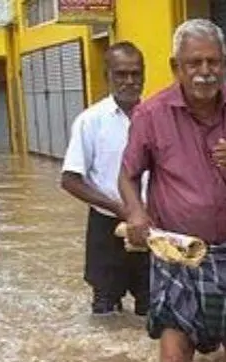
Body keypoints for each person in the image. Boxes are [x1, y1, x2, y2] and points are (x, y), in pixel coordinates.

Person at [118, 18, 226, 362]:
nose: (205, 71)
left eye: (213, 62)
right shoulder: (151, 114)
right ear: (176, 68)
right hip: (174, 250)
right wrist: (136, 213)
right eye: (194, 63)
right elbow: (128, 175)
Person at [60, 41, 149, 316]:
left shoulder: (156, 117)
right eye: (121, 74)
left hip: (152, 226)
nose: (129, 81)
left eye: (136, 74)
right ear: (106, 76)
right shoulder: (91, 121)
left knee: (154, 309)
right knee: (105, 311)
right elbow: (70, 179)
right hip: (106, 227)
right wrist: (123, 210)